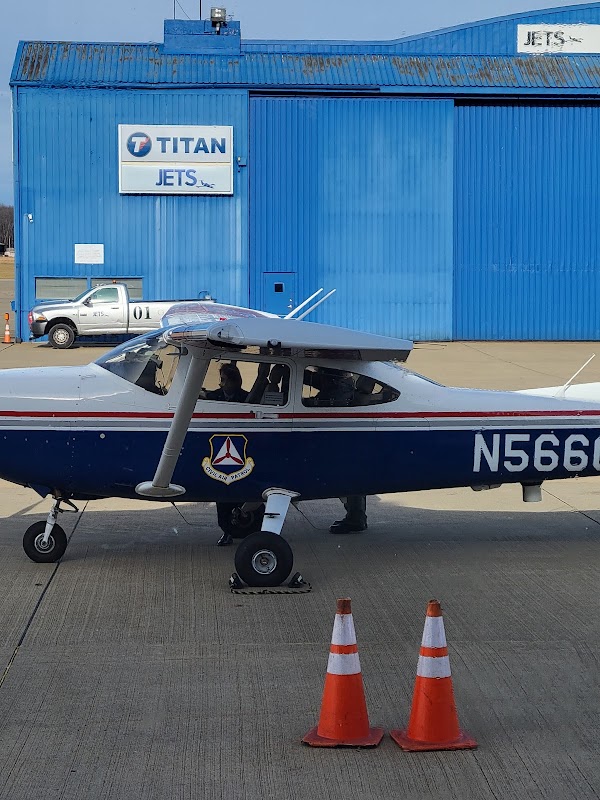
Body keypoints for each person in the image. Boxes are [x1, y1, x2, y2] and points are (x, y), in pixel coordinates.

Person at [303, 367, 368, 534]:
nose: (320, 376)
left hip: (345, 439)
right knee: (350, 473)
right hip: (347, 438)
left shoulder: (339, 389)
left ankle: (356, 518)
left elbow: (322, 400)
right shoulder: (340, 382)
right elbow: (316, 381)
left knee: (348, 473)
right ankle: (356, 516)